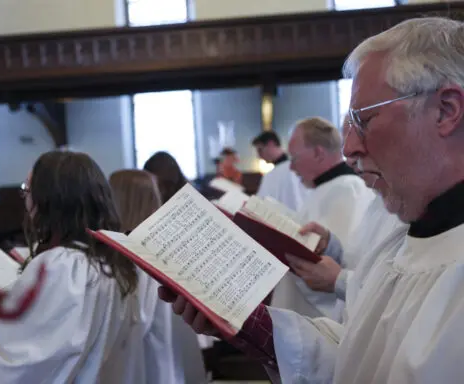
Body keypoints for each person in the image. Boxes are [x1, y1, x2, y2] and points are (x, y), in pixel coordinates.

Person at [161, 17, 464, 384]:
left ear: (447, 110)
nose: (349, 147)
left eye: (364, 119)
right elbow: (365, 355)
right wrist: (259, 329)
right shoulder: (404, 232)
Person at [0, 150, 182, 383]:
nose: (26, 201)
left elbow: (19, 362)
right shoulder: (129, 262)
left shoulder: (62, 268)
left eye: (27, 191)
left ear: (50, 201)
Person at [270, 117, 375, 321]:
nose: (291, 168)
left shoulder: (347, 190)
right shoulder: (327, 188)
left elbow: (342, 268)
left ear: (318, 153)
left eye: (294, 159)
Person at [109, 169, 205, 384]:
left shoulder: (135, 257)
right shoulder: (161, 247)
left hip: (148, 361)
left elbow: (136, 321)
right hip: (169, 355)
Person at [252, 131, 309, 212]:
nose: (259, 155)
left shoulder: (274, 174)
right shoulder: (300, 167)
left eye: (260, 150)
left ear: (270, 144)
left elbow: (259, 205)